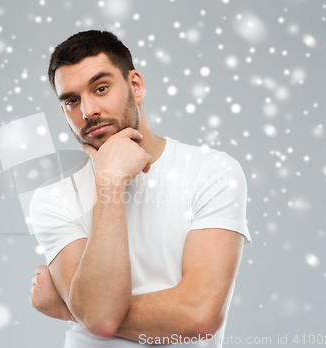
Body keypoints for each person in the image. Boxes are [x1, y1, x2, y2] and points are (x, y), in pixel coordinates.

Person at [28, 30, 252, 347]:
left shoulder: (211, 171)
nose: (87, 110)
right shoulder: (53, 198)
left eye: (101, 88)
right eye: (72, 101)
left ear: (135, 86)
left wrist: (70, 309)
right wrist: (109, 181)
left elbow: (198, 316)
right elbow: (98, 316)